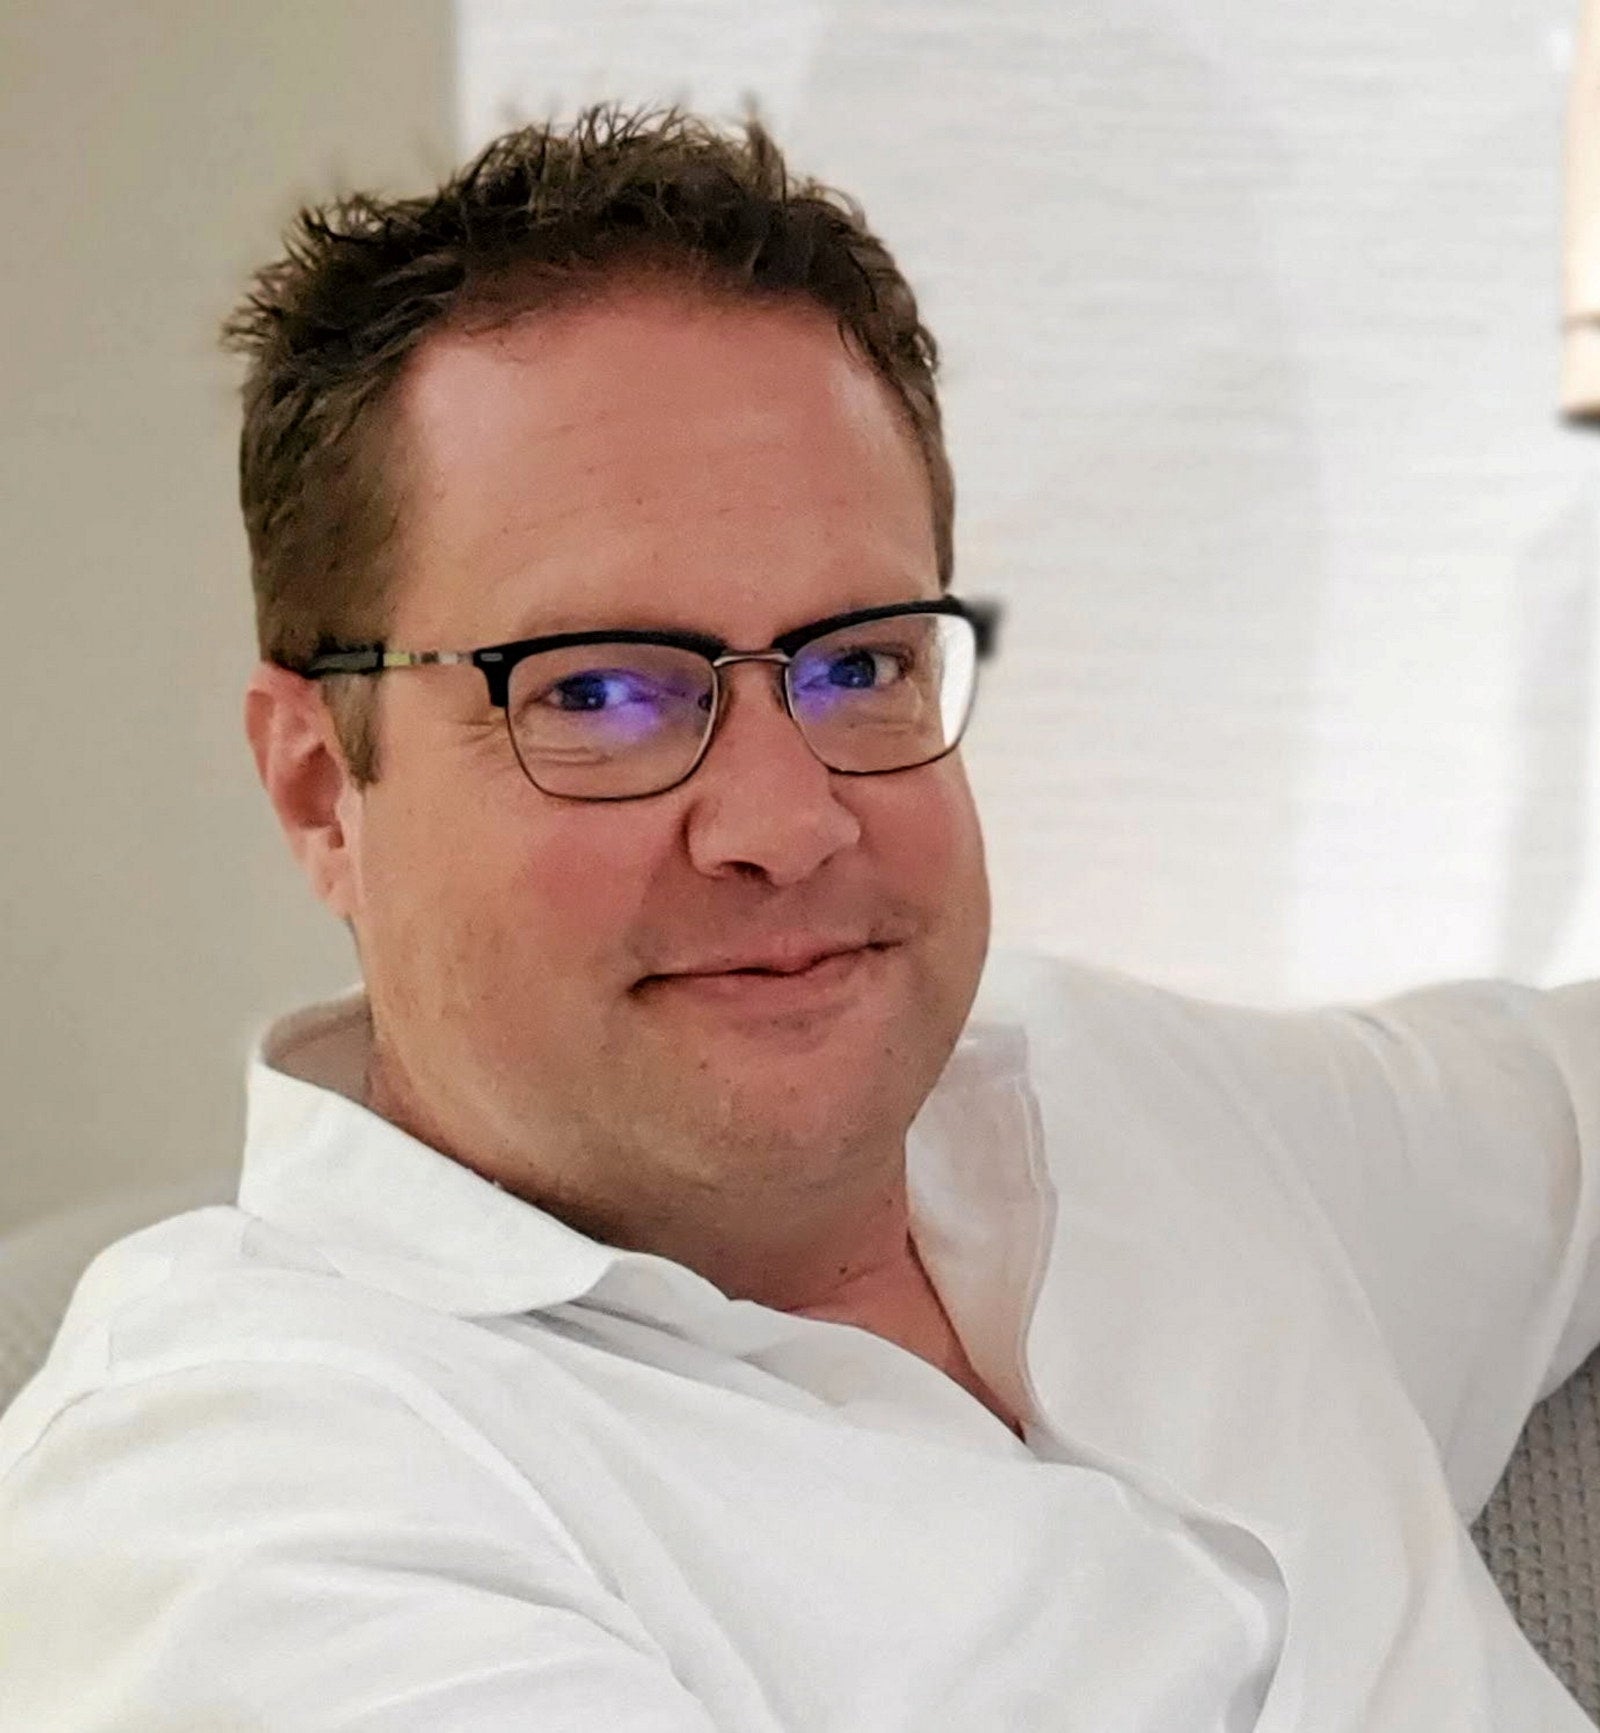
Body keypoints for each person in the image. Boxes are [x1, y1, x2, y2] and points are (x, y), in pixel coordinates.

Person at [0, 106, 1597, 1731]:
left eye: (859, 663)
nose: (784, 820)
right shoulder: (240, 1498)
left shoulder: (1135, 1097)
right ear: (318, 790)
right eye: (599, 692)